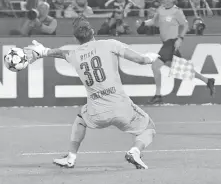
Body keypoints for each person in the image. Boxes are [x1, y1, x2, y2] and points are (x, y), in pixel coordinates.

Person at [24, 16, 160, 169]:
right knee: (149, 127)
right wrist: (150, 58)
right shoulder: (109, 44)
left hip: (96, 112)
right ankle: (135, 151)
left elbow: (60, 53)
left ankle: (71, 157)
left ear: (76, 38)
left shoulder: (74, 54)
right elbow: (140, 60)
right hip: (121, 108)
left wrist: (42, 52)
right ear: (92, 31)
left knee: (81, 118)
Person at [144, 0, 215, 104]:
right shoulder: (160, 9)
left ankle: (158, 95)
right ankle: (208, 81)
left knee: (155, 66)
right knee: (183, 69)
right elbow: (154, 21)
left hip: (171, 43)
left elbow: (185, 25)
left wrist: (180, 39)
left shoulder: (177, 11)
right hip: (166, 44)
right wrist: (144, 23)